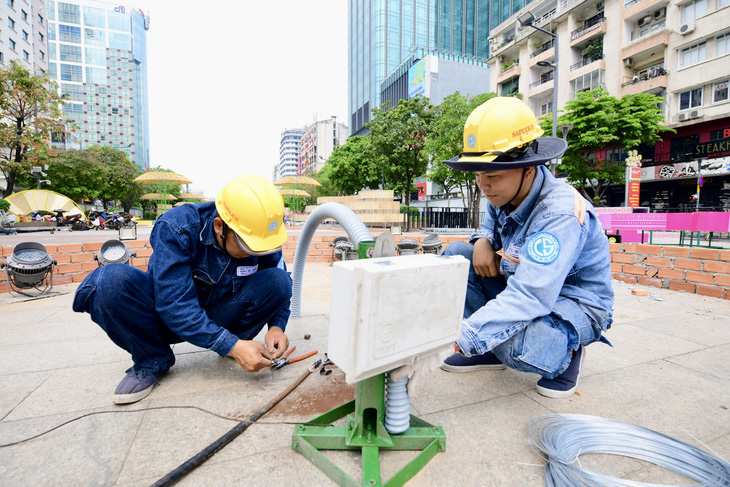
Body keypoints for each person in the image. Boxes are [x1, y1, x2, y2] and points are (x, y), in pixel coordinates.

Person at [438, 97, 614, 398]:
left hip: (571, 303)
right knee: (457, 257)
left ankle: (565, 354)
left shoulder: (558, 215)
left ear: (528, 170)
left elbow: (532, 294)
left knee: (511, 342)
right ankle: (490, 349)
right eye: (478, 176)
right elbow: (492, 219)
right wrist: (482, 239)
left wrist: (460, 337)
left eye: (491, 176)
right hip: (528, 284)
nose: (483, 186)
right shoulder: (505, 192)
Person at [73, 175, 293, 404]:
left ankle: (238, 342)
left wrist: (276, 326)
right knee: (108, 282)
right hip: (164, 319)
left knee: (279, 281)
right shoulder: (177, 227)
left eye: (260, 248)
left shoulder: (260, 236)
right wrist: (231, 346)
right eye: (247, 246)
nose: (252, 253)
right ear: (219, 226)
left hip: (221, 312)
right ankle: (153, 358)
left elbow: (280, 280)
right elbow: (173, 304)